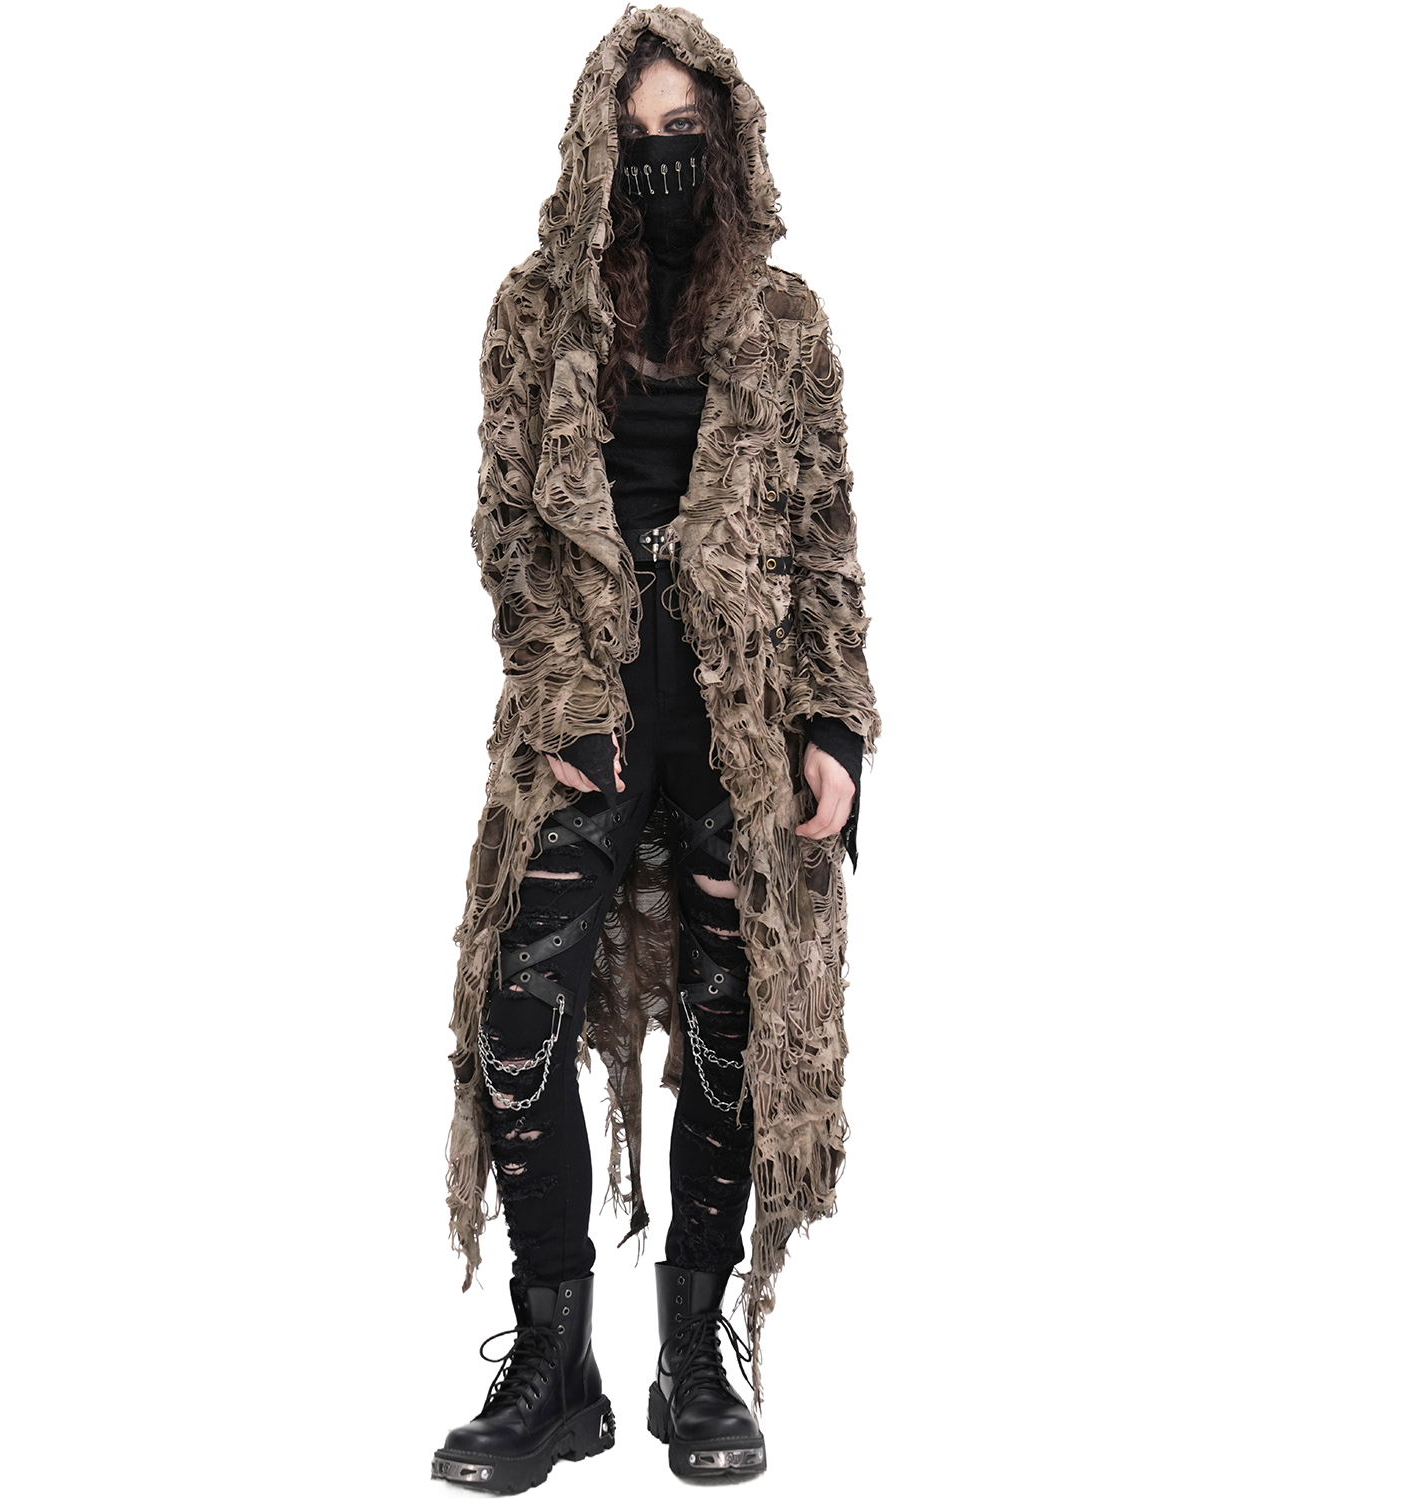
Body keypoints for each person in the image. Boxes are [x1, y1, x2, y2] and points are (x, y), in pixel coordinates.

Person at [434, 7, 880, 1489]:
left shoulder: (787, 322)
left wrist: (831, 725)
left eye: (684, 133)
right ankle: (552, 1363)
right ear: (591, 147)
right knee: (517, 1014)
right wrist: (560, 690)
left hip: (736, 728)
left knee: (734, 1027)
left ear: (728, 138)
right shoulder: (535, 311)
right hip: (585, 725)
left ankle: (695, 1361)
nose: (660, 160)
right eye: (634, 139)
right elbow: (508, 529)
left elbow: (821, 540)